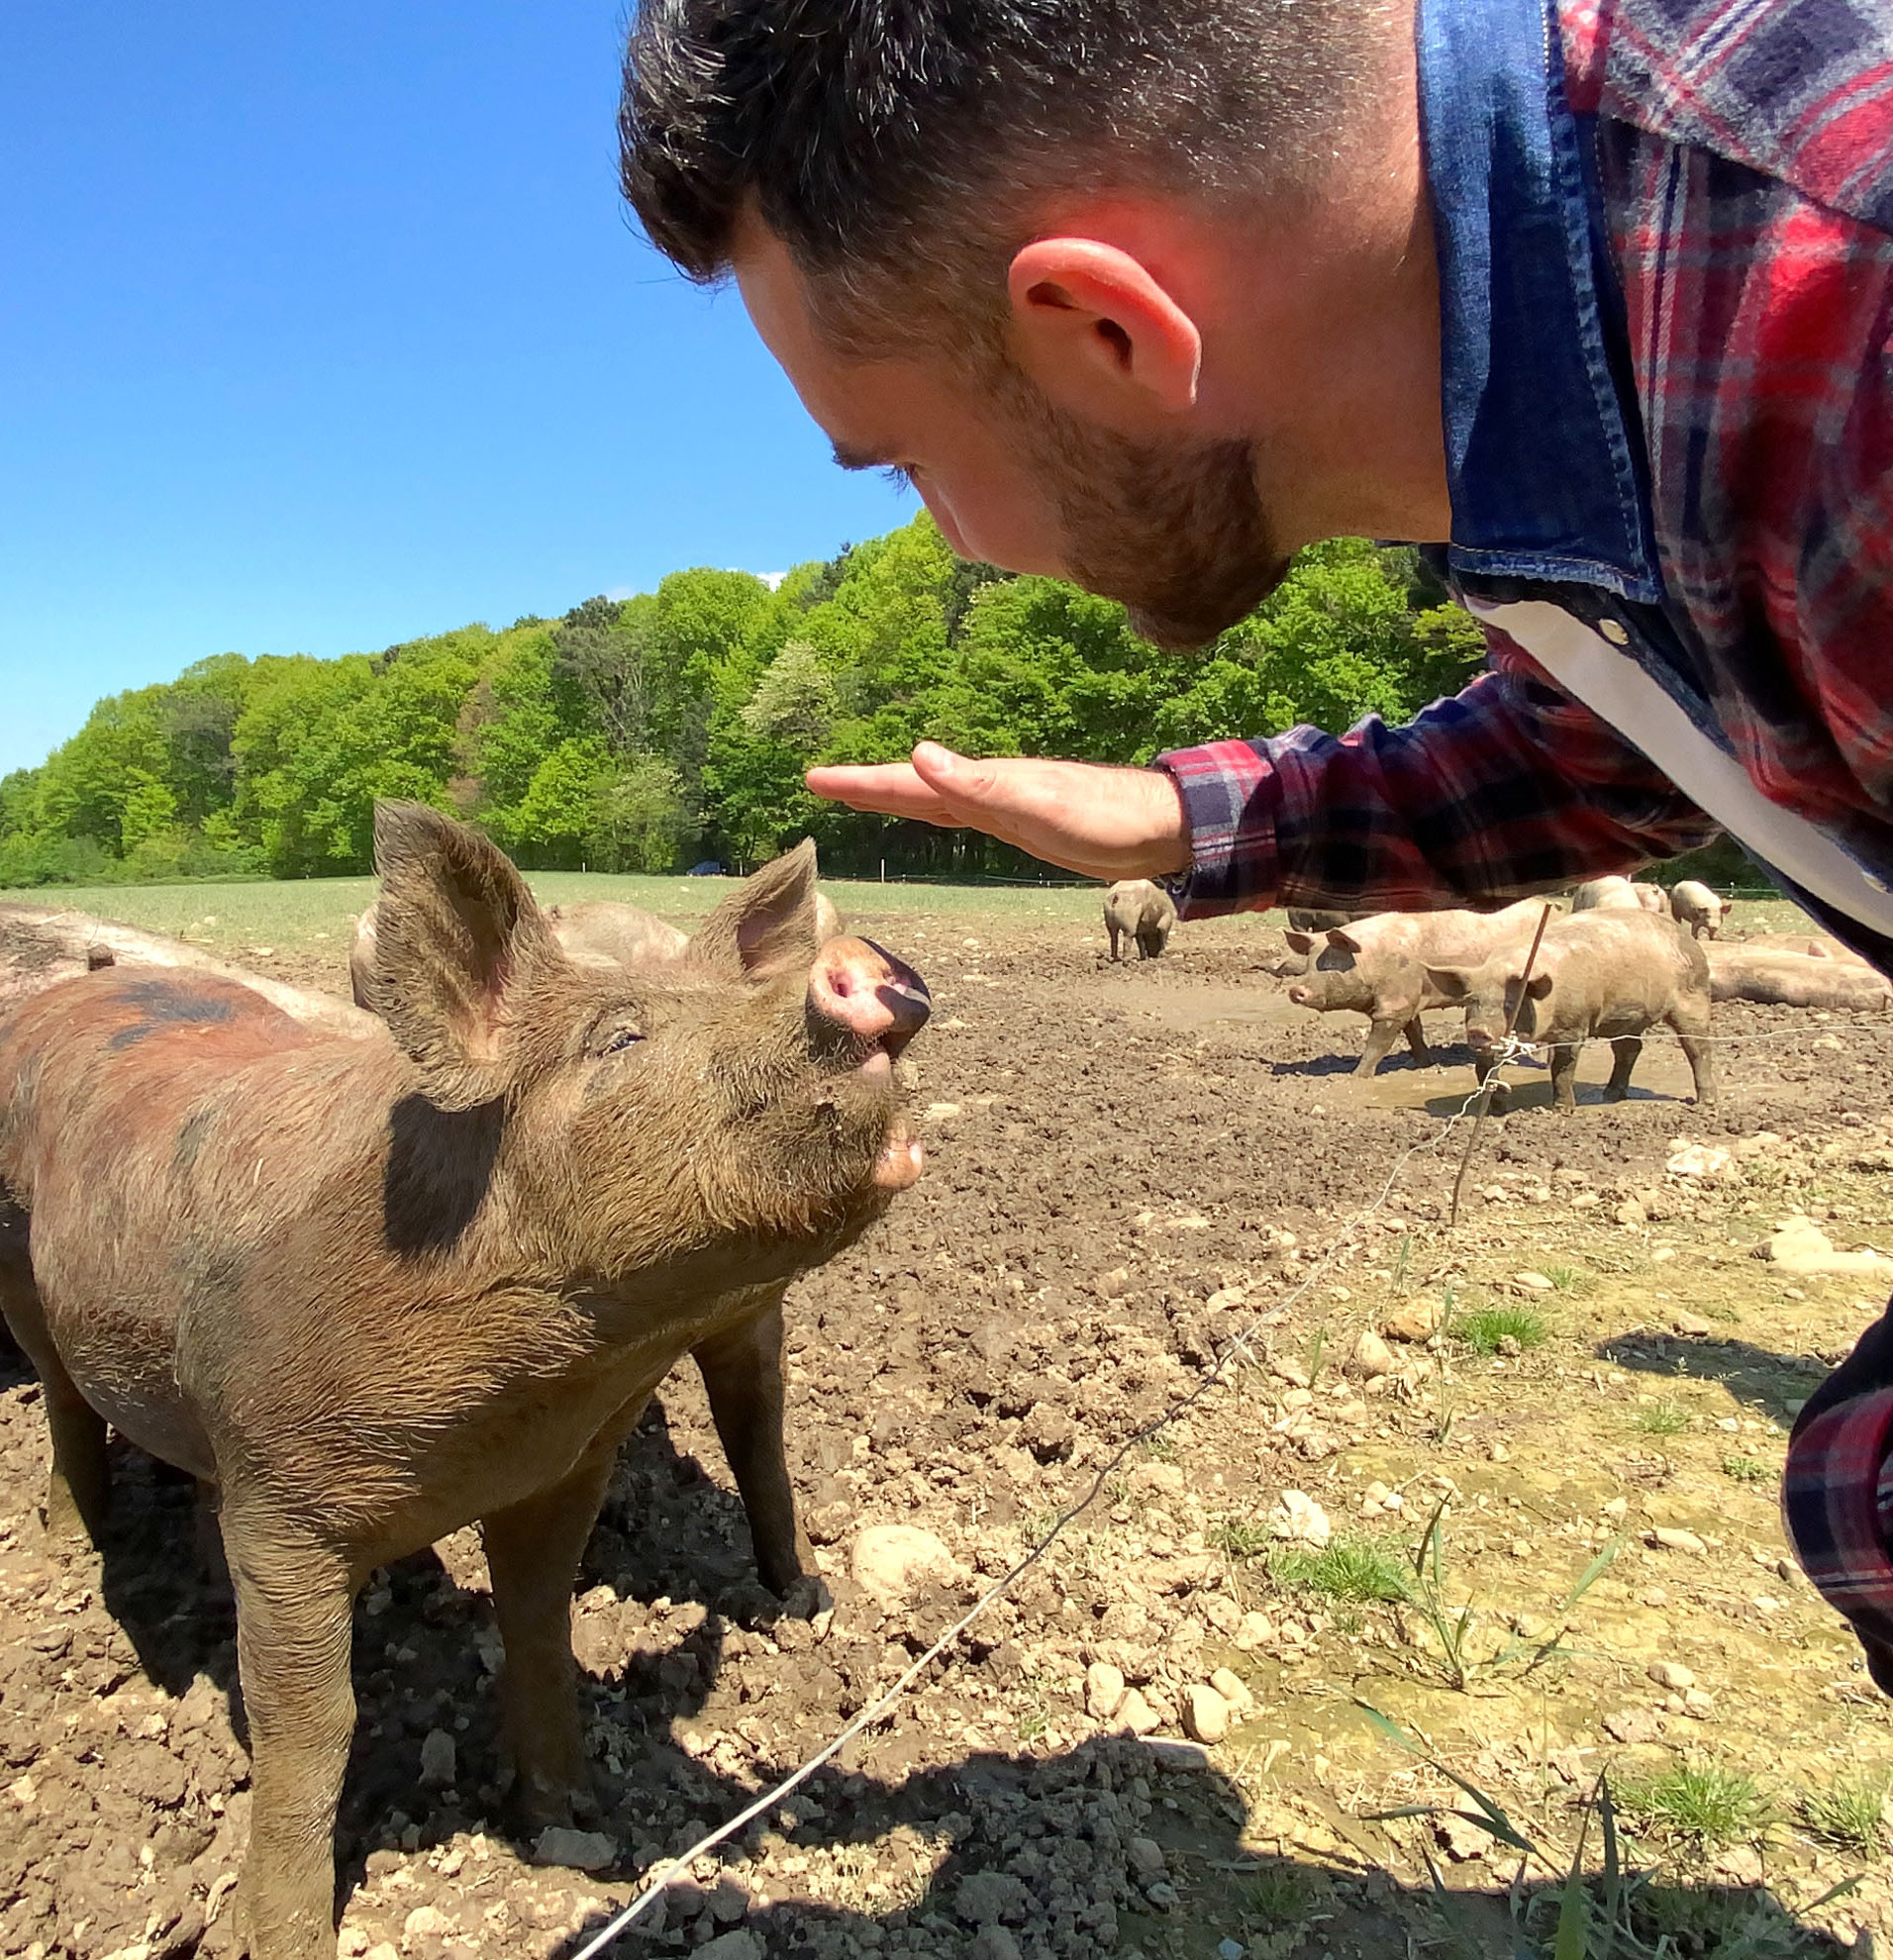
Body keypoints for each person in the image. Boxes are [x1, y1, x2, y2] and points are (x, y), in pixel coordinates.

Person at [618, 0, 1893, 1688]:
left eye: (904, 464)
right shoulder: (1610, 371)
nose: (953, 539)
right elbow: (1631, 737)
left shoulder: (1846, 328)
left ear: (1105, 332)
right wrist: (1184, 815)